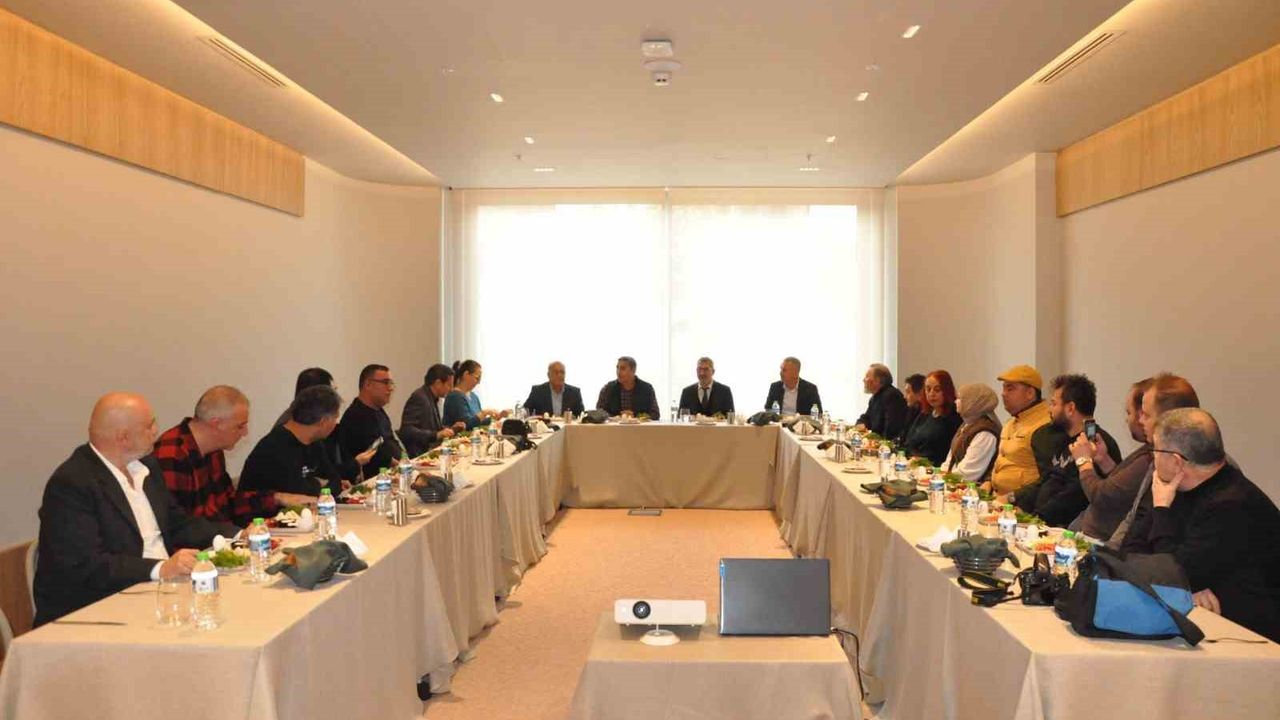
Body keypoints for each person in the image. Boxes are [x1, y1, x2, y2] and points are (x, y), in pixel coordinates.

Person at [33, 393, 240, 626]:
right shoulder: (72, 483)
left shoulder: (145, 466)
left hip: (158, 594)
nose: (156, 431)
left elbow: (178, 523)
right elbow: (87, 565)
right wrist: (161, 568)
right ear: (123, 437)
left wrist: (238, 534)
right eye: (149, 426)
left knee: (232, 612)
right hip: (97, 611)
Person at [1121, 408, 1280, 643]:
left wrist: (1161, 511)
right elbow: (1128, 555)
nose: (1153, 459)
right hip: (1212, 624)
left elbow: (1167, 577)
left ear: (1176, 461)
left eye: (1155, 450)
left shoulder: (1231, 504)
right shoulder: (1175, 488)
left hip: (1255, 641)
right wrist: (1187, 587)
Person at [153, 386, 310, 527]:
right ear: (216, 424)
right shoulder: (172, 454)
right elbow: (180, 526)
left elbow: (227, 501)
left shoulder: (214, 449)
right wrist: (236, 534)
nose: (245, 433)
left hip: (218, 536)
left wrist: (278, 498)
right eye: (240, 426)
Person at [1009, 374, 1120, 527]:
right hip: (1040, 521)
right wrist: (1017, 503)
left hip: (1064, 529)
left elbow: (1075, 496)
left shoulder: (1096, 445)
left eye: (1053, 404)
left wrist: (1036, 520)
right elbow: (1048, 480)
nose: (1049, 409)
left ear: (1070, 408)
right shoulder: (1062, 439)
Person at [1107, 373, 1201, 548]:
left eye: (1146, 415)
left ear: (1169, 420)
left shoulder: (1200, 471)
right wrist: (1107, 555)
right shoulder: (1158, 456)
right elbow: (1134, 519)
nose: (1140, 420)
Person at [1069, 378, 1155, 541]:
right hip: (1084, 530)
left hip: (1097, 541)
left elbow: (1102, 497)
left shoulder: (1151, 457)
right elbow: (1121, 488)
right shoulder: (1146, 451)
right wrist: (1104, 460)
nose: (1136, 420)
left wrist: (1083, 462)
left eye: (1129, 413)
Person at [238, 385, 358, 498]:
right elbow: (302, 495)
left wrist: (319, 484)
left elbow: (335, 480)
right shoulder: (275, 448)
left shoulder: (314, 442)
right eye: (335, 417)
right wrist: (319, 483)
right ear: (323, 421)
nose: (336, 423)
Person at [989, 365, 1057, 494]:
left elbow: (1049, 479)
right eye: (1003, 388)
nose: (1003, 394)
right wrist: (989, 482)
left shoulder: (1045, 424)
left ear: (1030, 393)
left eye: (1010, 389)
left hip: (1022, 502)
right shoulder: (1010, 423)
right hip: (997, 497)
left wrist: (1013, 498)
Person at [337, 364, 403, 474]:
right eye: (385, 383)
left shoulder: (379, 410)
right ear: (367, 384)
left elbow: (391, 440)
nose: (390, 388)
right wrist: (403, 467)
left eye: (391, 383)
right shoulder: (355, 416)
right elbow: (374, 454)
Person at [401, 364, 468, 457]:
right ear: (438, 383)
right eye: (449, 385)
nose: (451, 389)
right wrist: (436, 435)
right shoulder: (420, 398)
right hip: (420, 454)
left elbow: (433, 428)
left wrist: (451, 428)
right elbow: (407, 430)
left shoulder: (431, 397)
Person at [941, 383, 1001, 483]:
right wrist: (941, 473)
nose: (956, 401)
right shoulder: (967, 424)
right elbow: (950, 459)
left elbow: (968, 473)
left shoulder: (985, 432)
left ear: (973, 402)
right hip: (954, 482)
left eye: (960, 398)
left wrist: (943, 478)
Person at [900, 370, 962, 466]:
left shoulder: (954, 417)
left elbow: (944, 452)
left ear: (947, 391)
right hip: (914, 464)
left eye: (937, 390)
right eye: (928, 389)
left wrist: (921, 461)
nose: (931, 394)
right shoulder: (925, 413)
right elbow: (910, 440)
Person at [444, 359, 506, 429]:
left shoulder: (474, 397)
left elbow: (478, 422)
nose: (478, 382)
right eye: (477, 378)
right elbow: (466, 425)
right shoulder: (455, 396)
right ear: (466, 374)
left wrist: (497, 417)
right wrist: (484, 413)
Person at [597, 356, 661, 419]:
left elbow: (655, 414)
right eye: (617, 368)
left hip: (639, 425)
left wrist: (635, 417)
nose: (618, 372)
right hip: (615, 425)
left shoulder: (647, 389)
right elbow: (599, 412)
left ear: (633, 370)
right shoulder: (608, 388)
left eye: (623, 368)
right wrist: (619, 417)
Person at [855, 363, 907, 439]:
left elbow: (891, 429)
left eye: (867, 377)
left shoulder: (892, 396)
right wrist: (860, 424)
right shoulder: (875, 397)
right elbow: (866, 418)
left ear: (877, 380)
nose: (863, 380)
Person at [892, 373, 927, 446]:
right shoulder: (911, 410)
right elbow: (903, 434)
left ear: (919, 393)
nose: (904, 396)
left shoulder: (927, 414)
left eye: (908, 392)